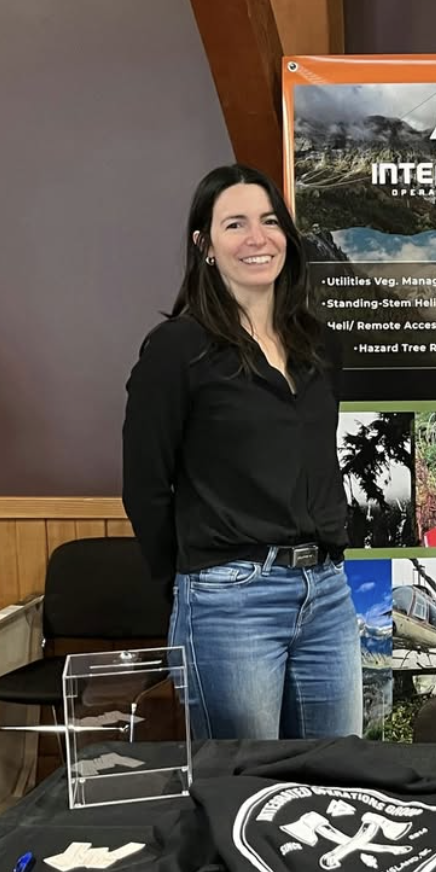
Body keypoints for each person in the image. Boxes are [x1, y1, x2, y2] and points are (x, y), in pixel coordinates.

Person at [122, 164, 361, 742]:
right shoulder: (177, 349)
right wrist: (189, 582)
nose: (257, 238)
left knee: (339, 781)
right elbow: (145, 486)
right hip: (230, 601)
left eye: (269, 221)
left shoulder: (317, 343)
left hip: (326, 593)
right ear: (204, 244)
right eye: (235, 224)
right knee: (246, 790)